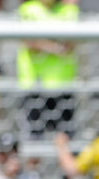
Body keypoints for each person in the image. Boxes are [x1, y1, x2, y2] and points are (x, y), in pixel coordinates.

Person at [17, 0, 80, 139]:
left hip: (63, 85)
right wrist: (57, 48)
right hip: (34, 85)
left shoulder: (69, 10)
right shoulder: (28, 9)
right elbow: (30, 42)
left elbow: (70, 43)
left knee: (65, 140)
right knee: (34, 141)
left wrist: (44, 43)